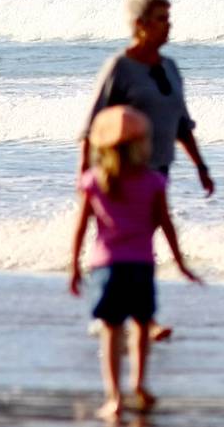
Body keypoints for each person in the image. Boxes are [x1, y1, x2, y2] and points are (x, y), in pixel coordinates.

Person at [69, 105, 202, 421]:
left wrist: (73, 265)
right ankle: (139, 384)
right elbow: (166, 225)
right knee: (142, 325)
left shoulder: (93, 180)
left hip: (106, 266)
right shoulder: (153, 180)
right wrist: (181, 263)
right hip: (142, 265)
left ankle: (114, 397)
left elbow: (80, 226)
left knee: (111, 329)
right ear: (143, 144)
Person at [81, 0, 215, 200]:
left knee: (149, 231)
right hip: (121, 175)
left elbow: (182, 126)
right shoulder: (120, 67)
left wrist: (201, 167)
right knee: (132, 233)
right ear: (140, 24)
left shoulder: (170, 67)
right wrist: (85, 180)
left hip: (159, 173)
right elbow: (93, 127)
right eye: (161, 19)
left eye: (168, 19)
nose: (168, 25)